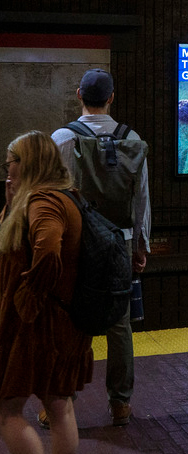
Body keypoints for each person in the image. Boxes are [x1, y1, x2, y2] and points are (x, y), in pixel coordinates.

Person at [40, 68, 151, 427]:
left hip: (77, 240)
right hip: (120, 241)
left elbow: (53, 195)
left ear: (78, 95)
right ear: (111, 98)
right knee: (119, 324)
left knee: (70, 321)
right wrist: (141, 245)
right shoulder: (132, 139)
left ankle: (61, 400)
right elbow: (141, 199)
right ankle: (120, 403)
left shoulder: (62, 139)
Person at [0, 131, 93, 454]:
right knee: (58, 405)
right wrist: (12, 207)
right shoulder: (63, 196)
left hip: (40, 325)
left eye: (10, 162)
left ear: (27, 164)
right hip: (62, 320)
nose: (7, 169)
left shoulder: (44, 203)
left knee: (7, 409)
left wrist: (28, 297)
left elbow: (49, 248)